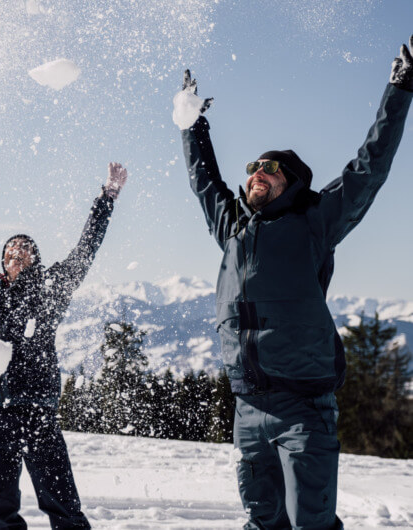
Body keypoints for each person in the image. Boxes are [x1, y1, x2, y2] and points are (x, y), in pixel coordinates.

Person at [175, 36, 413, 530]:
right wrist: (192, 122)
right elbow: (204, 180)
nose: (258, 173)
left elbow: (369, 168)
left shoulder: (314, 223)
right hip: (247, 408)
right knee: (263, 522)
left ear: (293, 182)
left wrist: (401, 88)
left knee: (311, 525)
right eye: (253, 168)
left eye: (270, 168)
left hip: (302, 410)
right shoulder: (234, 228)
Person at [0, 162, 128, 529]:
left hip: (38, 412)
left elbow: (86, 249)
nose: (18, 252)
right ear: (3, 263)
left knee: (64, 508)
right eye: (11, 250)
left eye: (25, 248)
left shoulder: (51, 292)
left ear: (35, 260)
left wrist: (107, 198)